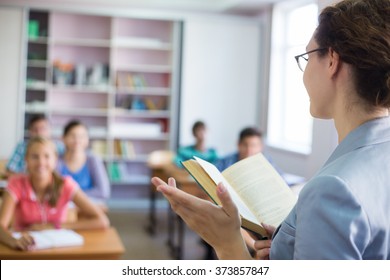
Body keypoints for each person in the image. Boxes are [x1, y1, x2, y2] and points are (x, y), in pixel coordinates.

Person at [152, 0, 390, 260]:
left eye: (307, 56)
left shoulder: (332, 190)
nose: (304, 73)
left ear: (332, 60)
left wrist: (227, 243)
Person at [0, 137, 109, 251]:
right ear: (26, 160)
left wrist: (55, 226)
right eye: (34, 157)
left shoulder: (66, 185)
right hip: (24, 251)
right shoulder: (16, 184)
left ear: (55, 160)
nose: (41, 162)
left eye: (47, 156)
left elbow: (102, 221)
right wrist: (15, 241)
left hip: (57, 250)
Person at [56, 120, 110, 201]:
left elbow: (103, 192)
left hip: (89, 207)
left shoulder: (93, 160)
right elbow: (53, 192)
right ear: (63, 138)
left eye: (82, 136)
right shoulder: (56, 161)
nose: (77, 140)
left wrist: (73, 197)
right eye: (72, 135)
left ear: (87, 140)